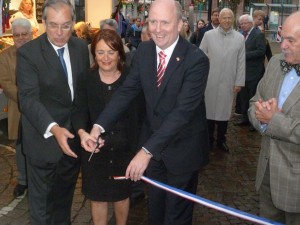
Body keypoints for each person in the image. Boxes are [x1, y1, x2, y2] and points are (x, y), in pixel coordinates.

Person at [80, 0, 209, 224]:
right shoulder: (145, 51)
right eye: (152, 22)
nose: (157, 29)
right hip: (154, 153)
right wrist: (98, 126)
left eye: (164, 22)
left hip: (182, 152)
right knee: (155, 211)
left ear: (180, 24)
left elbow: (182, 114)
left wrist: (146, 151)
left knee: (176, 217)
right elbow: (127, 92)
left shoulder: (196, 60)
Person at [16, 0, 90, 224]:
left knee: (63, 205)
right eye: (54, 25)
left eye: (66, 25)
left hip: (72, 142)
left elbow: (81, 95)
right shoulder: (29, 53)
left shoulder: (79, 48)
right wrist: (54, 128)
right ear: (43, 22)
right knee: (41, 212)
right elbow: (28, 99)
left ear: (73, 24)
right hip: (43, 142)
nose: (59, 33)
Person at [73, 29, 143, 225]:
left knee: (122, 196)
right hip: (95, 151)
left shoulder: (131, 78)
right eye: (100, 52)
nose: (106, 58)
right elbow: (78, 112)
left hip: (124, 151)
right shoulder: (86, 78)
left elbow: (140, 114)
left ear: (120, 53)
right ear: (93, 53)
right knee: (98, 198)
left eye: (111, 52)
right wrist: (83, 134)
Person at [248, 11, 300, 225]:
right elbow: (254, 102)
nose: (283, 45)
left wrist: (273, 120)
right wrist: (261, 117)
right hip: (267, 175)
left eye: (291, 40)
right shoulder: (276, 63)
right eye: (281, 36)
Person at [200, 8, 245, 152]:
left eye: (229, 18)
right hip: (210, 80)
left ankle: (221, 139)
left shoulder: (239, 38)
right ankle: (208, 139)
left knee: (224, 112)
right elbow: (200, 57)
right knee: (209, 111)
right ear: (219, 19)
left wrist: (239, 81)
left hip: (228, 80)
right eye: (224, 17)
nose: (226, 20)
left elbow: (241, 61)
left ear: (233, 20)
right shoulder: (208, 35)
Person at [0, 18, 33, 197]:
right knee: (20, 147)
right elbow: (5, 82)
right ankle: (23, 180)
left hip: (39, 108)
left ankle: (37, 180)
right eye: (16, 35)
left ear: (31, 34)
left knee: (38, 145)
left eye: (24, 34)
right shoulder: (5, 56)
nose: (20, 38)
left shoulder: (40, 52)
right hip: (18, 108)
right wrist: (25, 98)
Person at [235, 14, 266, 130]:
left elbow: (261, 51)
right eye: (241, 24)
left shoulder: (258, 34)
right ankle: (244, 118)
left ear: (250, 23)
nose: (242, 26)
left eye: (244, 23)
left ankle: (254, 121)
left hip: (254, 72)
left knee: (253, 96)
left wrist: (244, 55)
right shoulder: (241, 35)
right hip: (243, 72)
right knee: (243, 96)